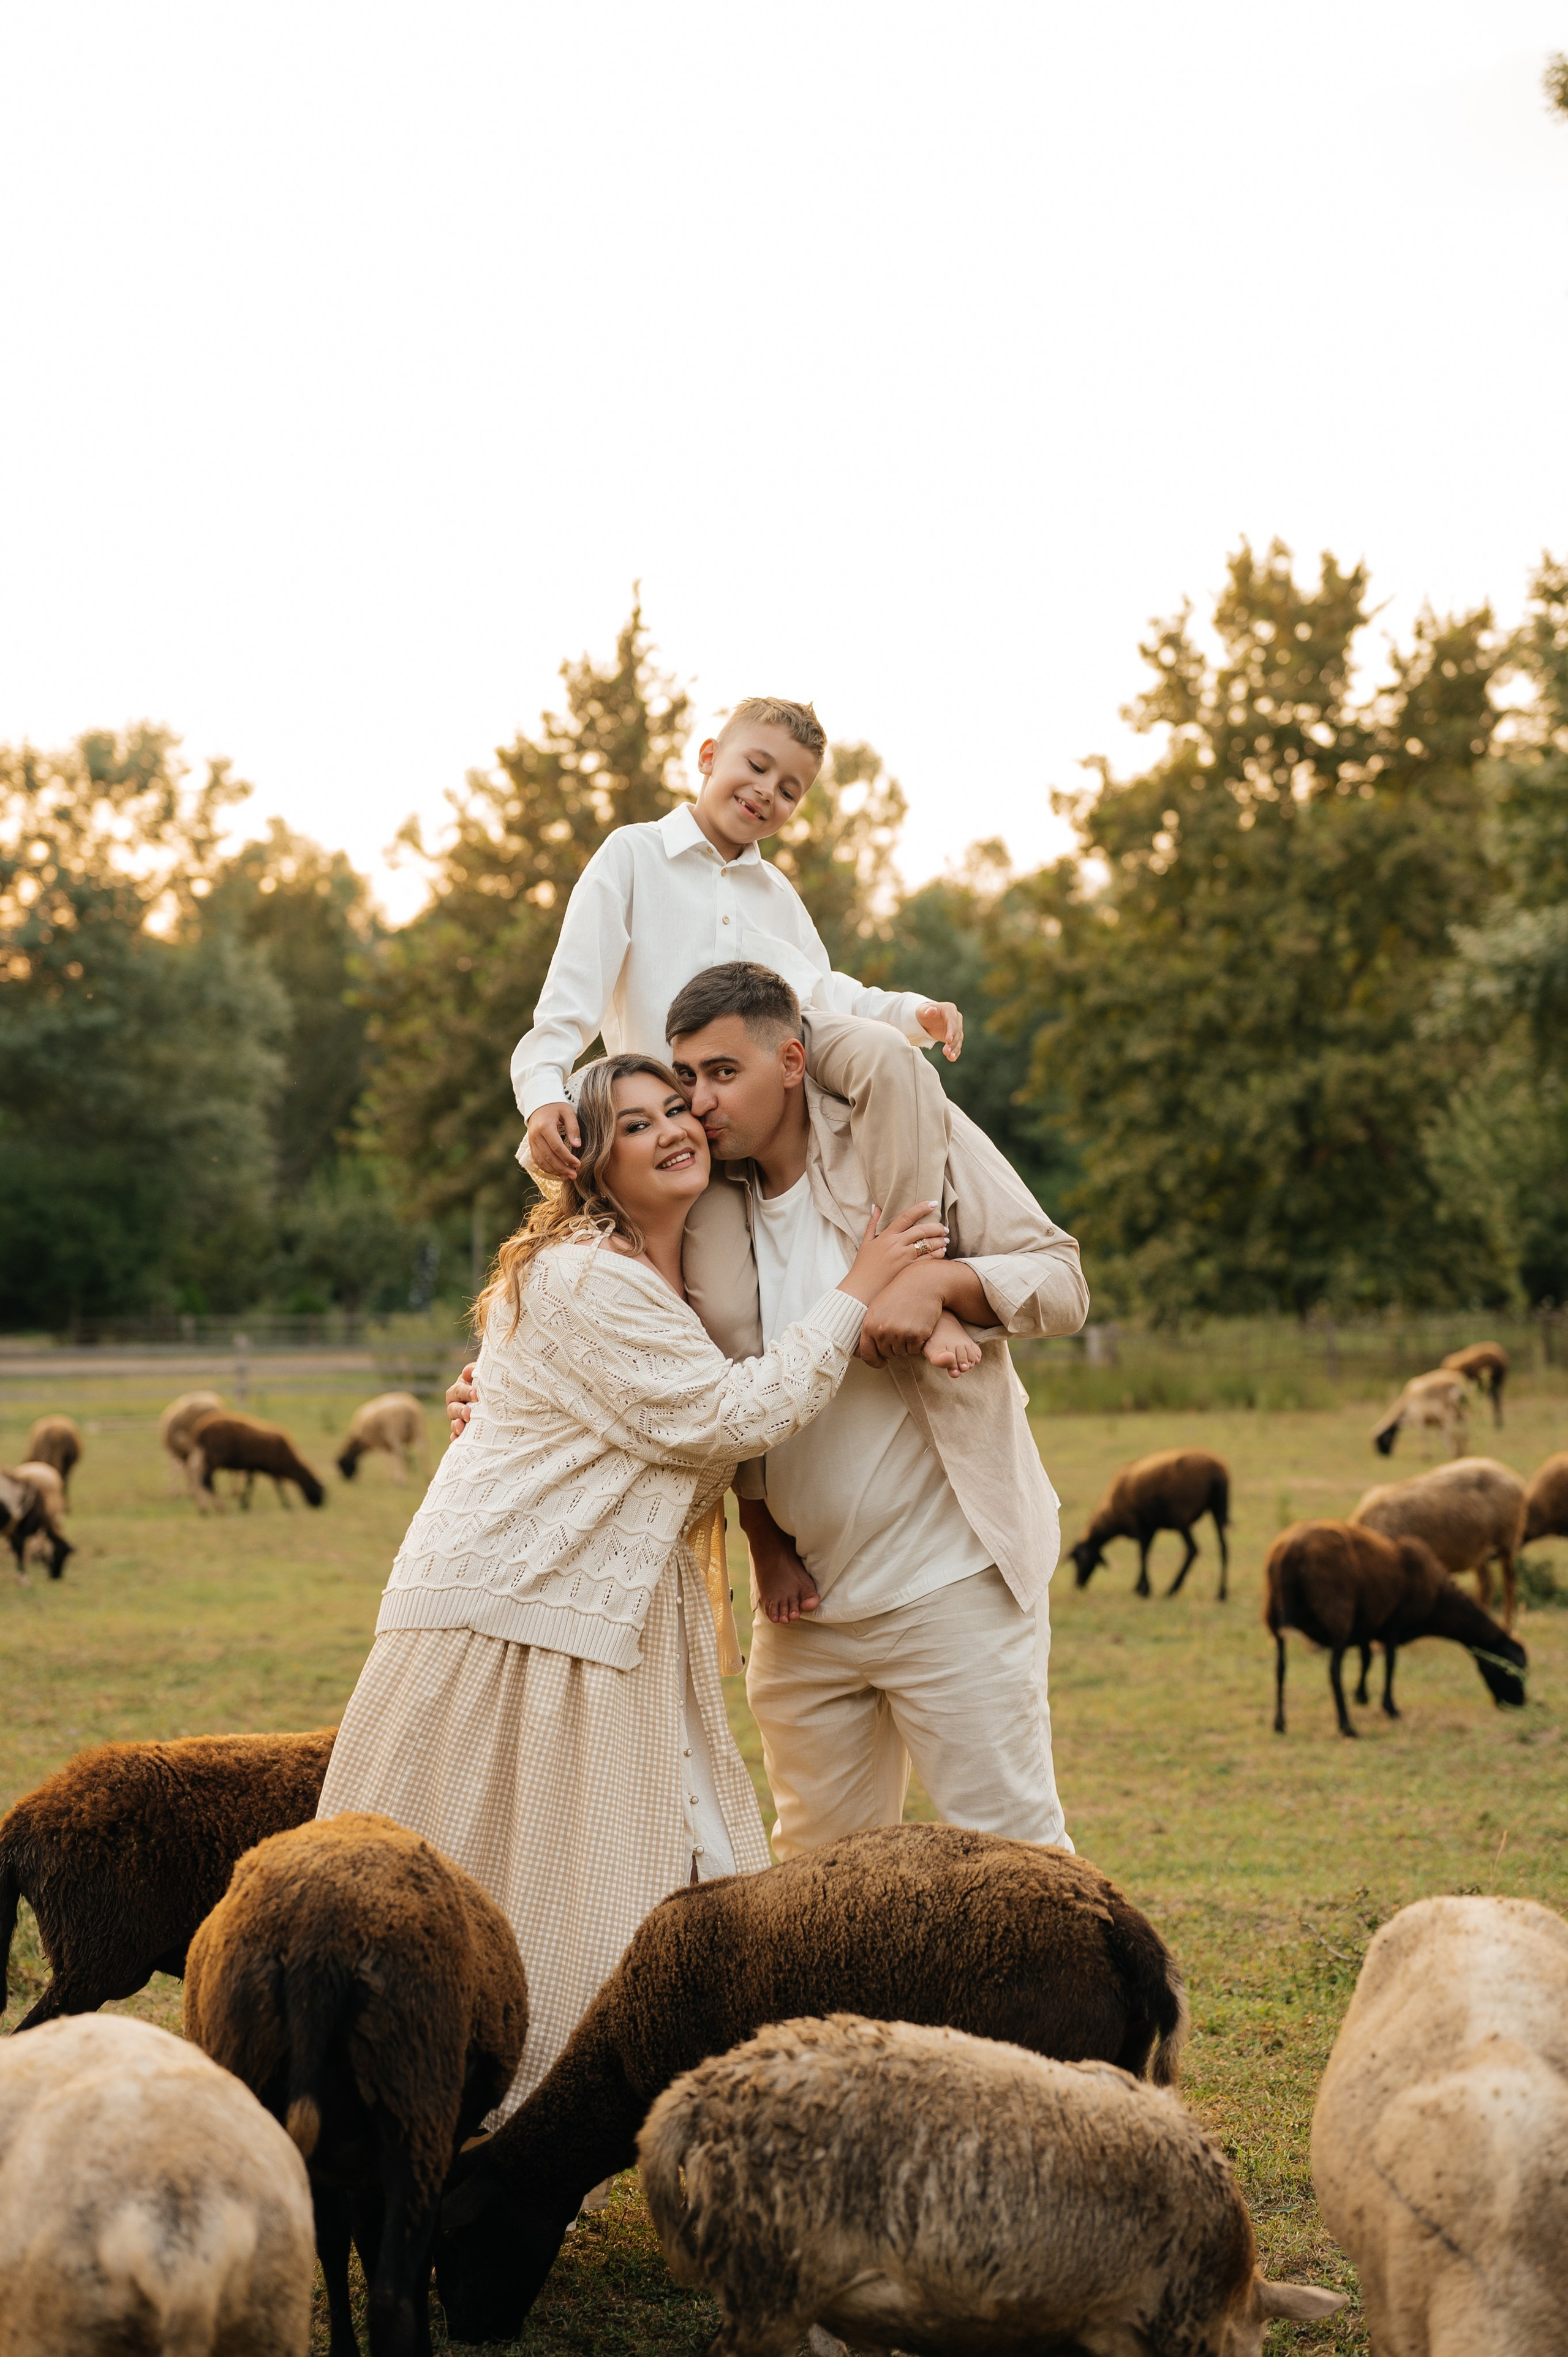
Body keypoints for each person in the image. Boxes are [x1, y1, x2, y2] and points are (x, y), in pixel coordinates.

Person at [317, 1050, 945, 2113]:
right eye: (637, 1124)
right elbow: (732, 1415)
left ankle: (641, 2109)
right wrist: (862, 1283)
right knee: (513, 1880)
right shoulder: (584, 1276)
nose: (674, 1130)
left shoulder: (663, 1279)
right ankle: (480, 2115)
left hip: (598, 1608)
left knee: (648, 1864)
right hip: (517, 1608)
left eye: (679, 1110)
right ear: (593, 1165)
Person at [662, 961, 1088, 1858]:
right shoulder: (701, 1204)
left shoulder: (907, 1140)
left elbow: (1061, 1279)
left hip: (952, 1582)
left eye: (724, 1072)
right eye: (687, 1075)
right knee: (816, 1880)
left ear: (792, 1061)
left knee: (1012, 1860)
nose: (699, 1101)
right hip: (803, 1610)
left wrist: (940, 1282)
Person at [511, 697, 963, 1227]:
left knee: (889, 1078)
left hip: (764, 1132)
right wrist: (542, 1092)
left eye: (789, 791)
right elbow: (571, 993)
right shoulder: (632, 855)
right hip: (676, 1136)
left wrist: (912, 1013)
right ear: (708, 756)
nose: (768, 791)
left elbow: (824, 992)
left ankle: (917, 1238)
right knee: (712, 1274)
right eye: (757, 766)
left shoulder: (777, 895)